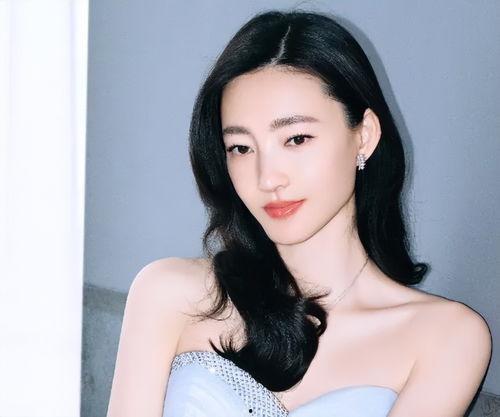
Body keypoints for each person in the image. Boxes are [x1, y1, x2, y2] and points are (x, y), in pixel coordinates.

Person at [106, 9, 492, 417]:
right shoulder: (169, 293)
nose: (267, 177)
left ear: (364, 136)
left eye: (296, 139)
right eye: (241, 147)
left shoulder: (446, 338)